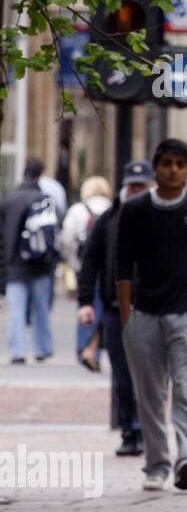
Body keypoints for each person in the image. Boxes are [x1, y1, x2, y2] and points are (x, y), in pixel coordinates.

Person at [116, 139, 187, 492]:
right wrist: (127, 318)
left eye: (180, 163)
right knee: (149, 393)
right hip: (143, 316)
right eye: (167, 163)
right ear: (156, 167)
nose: (173, 169)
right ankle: (156, 464)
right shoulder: (134, 210)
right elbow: (123, 267)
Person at [78, 162, 152, 456]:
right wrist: (85, 301)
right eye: (132, 185)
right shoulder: (107, 219)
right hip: (114, 309)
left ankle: (146, 430)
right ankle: (128, 431)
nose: (136, 190)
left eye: (141, 185)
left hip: (149, 309)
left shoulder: (158, 218)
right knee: (122, 376)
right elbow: (90, 262)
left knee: (148, 376)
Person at [1, 159, 59, 364]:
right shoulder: (45, 199)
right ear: (39, 176)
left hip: (14, 264)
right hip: (40, 264)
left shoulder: (8, 199)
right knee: (41, 308)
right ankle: (42, 348)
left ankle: (17, 351)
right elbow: (53, 234)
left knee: (16, 310)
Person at [62, 175, 113, 371]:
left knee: (86, 303)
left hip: (84, 266)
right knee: (104, 307)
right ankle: (95, 351)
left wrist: (72, 262)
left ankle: (84, 347)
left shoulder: (78, 210)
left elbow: (66, 239)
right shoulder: (113, 208)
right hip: (108, 268)